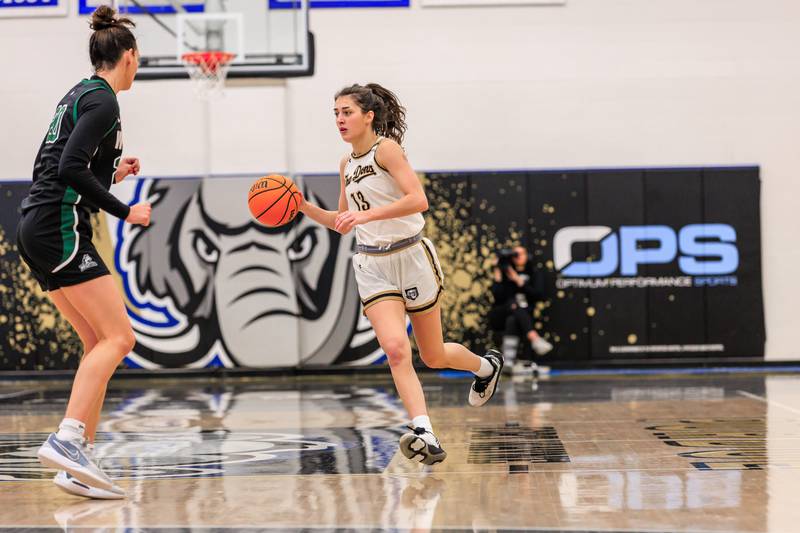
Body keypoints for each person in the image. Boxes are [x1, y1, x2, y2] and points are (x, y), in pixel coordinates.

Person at [299, 83, 504, 465]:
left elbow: (418, 200)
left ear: (368, 116)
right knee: (395, 349)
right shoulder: (346, 164)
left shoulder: (387, 150)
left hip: (411, 255)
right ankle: (424, 430)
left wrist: (366, 215)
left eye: (347, 112)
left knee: (434, 355)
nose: (340, 120)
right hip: (372, 265)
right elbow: (342, 222)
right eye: (336, 114)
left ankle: (486, 367)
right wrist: (302, 205)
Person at [17, 5, 151, 499]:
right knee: (121, 338)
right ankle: (70, 438)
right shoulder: (105, 102)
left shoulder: (79, 92)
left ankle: (78, 461)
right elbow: (71, 169)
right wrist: (125, 209)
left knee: (97, 341)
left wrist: (113, 174)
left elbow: (60, 165)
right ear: (129, 57)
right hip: (59, 225)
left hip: (38, 224)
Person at [488, 245, 553, 375]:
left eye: (520, 254)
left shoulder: (534, 273)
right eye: (514, 254)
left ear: (527, 255)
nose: (517, 257)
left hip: (524, 314)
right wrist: (498, 273)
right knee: (513, 305)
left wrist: (518, 280)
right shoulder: (504, 272)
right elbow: (498, 297)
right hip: (502, 312)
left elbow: (539, 295)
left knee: (513, 319)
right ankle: (534, 338)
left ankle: (509, 362)